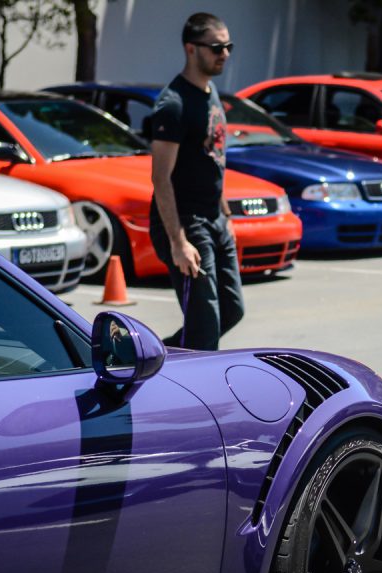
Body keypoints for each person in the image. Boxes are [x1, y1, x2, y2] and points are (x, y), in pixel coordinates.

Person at [149, 12, 243, 350]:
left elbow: (213, 158)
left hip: (214, 220)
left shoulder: (210, 91)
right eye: (217, 47)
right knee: (204, 329)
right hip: (185, 225)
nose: (225, 54)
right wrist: (178, 242)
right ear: (191, 49)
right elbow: (161, 178)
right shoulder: (172, 105)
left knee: (232, 311)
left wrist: (226, 215)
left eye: (228, 46)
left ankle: (154, 358)